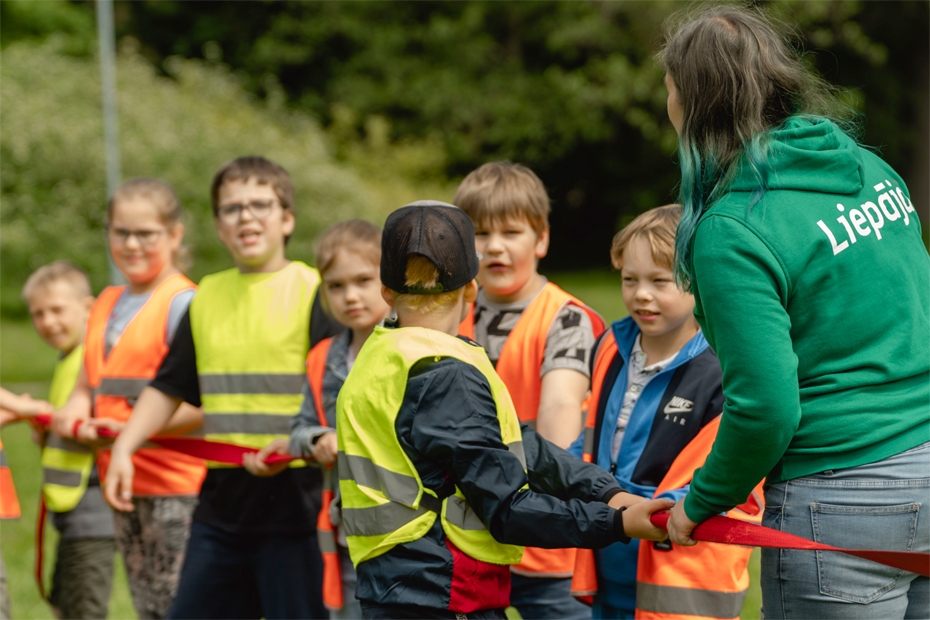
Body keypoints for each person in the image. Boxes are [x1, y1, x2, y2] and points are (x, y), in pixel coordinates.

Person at [658, 6, 930, 619]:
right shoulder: (867, 167)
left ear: (694, 102)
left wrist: (698, 505)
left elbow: (766, 408)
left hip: (844, 495)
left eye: (670, 85)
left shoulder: (732, 230)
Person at [337, 201, 675, 619]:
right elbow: (508, 509)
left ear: (386, 292)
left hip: (391, 592)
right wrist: (617, 523)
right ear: (471, 290)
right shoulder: (447, 374)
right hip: (445, 595)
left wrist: (607, 492)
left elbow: (515, 442)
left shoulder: (378, 356)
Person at [104, 156, 342, 620]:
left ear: (286, 218)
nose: (246, 216)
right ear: (217, 225)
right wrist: (123, 449)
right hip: (220, 510)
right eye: (232, 208)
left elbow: (338, 394)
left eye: (260, 204)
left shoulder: (316, 291)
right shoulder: (207, 295)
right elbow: (169, 385)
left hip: (298, 508)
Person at [567, 205, 761, 619]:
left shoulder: (724, 370)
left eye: (660, 281)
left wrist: (664, 510)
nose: (641, 294)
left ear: (700, 284)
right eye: (629, 279)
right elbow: (590, 433)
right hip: (608, 549)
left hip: (679, 569)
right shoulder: (610, 346)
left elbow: (738, 472)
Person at [453, 162, 606, 619]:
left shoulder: (568, 319)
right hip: (467, 544)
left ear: (541, 239)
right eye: (479, 234)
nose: (494, 247)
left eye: (511, 232)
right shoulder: (442, 313)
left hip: (548, 546)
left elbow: (561, 409)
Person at [52, 179, 206, 619]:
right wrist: (74, 412)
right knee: (148, 606)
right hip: (121, 481)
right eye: (121, 232)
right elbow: (89, 384)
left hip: (176, 484)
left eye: (146, 234)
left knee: (179, 606)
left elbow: (203, 405)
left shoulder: (184, 302)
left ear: (174, 235)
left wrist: (134, 432)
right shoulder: (105, 302)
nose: (132, 244)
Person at [287, 219, 391, 619]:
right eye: (336, 286)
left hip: (414, 534)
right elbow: (297, 429)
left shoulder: (412, 346)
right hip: (348, 533)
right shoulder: (322, 358)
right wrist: (316, 440)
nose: (351, 296)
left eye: (364, 280)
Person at [23, 261, 118, 619]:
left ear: (89, 308)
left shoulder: (96, 361)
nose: (48, 322)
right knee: (64, 605)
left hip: (94, 513)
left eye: (57, 310)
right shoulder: (67, 361)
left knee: (83, 611)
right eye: (38, 314)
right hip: (70, 512)